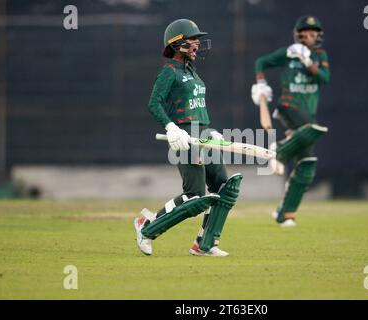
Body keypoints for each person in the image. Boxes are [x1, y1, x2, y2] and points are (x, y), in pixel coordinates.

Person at [133, 19, 243, 256]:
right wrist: (171, 127)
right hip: (184, 138)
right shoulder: (169, 72)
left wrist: (209, 130)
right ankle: (147, 227)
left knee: (225, 189)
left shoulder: (192, 72)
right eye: (192, 40)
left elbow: (196, 107)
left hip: (202, 136)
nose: (197, 44)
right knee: (195, 196)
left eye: (197, 40)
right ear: (178, 43)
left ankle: (205, 244)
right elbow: (154, 104)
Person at [251, 15, 331, 227]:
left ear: (318, 36)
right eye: (304, 33)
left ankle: (285, 214)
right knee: (312, 130)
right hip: (288, 108)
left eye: (313, 33)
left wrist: (308, 62)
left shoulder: (320, 55)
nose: (308, 37)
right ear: (298, 35)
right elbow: (261, 62)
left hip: (307, 113)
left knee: (307, 165)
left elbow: (325, 78)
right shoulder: (287, 53)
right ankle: (279, 152)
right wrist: (261, 84)